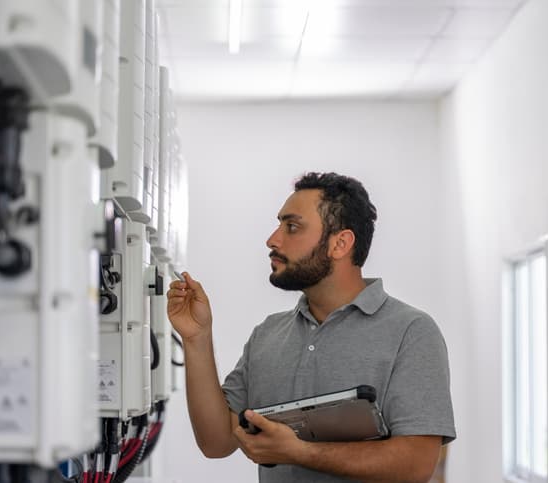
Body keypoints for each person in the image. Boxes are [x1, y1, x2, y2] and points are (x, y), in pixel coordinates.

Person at [167, 172, 456, 483]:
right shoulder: (267, 335)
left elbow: (417, 464)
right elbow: (217, 441)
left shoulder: (411, 332)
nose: (272, 240)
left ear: (340, 243)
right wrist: (197, 337)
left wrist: (299, 452)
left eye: (292, 227)